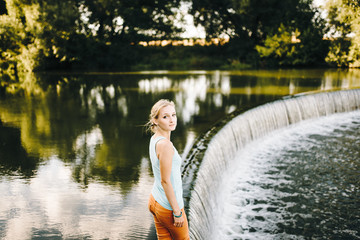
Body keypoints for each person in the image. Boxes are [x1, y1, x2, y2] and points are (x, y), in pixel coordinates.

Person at [146, 99, 190, 240]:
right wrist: (177, 212)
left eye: (173, 115)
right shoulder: (165, 145)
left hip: (155, 201)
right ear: (155, 120)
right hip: (168, 208)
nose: (172, 120)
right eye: (165, 117)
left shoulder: (155, 138)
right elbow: (166, 181)